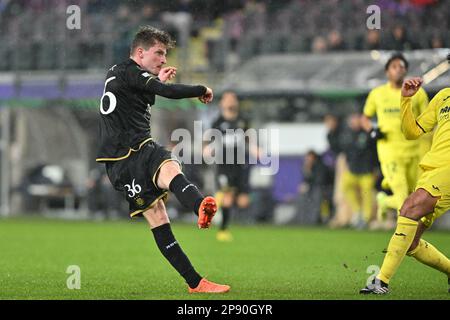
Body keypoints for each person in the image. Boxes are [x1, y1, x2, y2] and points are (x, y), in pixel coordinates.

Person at [96, 26, 230, 294]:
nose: (164, 59)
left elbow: (140, 96)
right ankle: (200, 206)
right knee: (166, 180)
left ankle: (196, 279)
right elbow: (166, 94)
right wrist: (200, 89)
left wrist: (157, 80)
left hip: (119, 161)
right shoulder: (133, 72)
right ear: (141, 52)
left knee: (161, 204)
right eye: (159, 53)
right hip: (133, 151)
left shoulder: (117, 72)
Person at [360, 74, 450, 295]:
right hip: (432, 169)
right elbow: (412, 132)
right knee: (411, 243)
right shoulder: (443, 97)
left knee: (409, 207)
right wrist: (406, 99)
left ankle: (381, 280)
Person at [361, 53, 429, 228]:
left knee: (413, 196)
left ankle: (384, 202)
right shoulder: (377, 94)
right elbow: (365, 118)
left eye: (402, 67)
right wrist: (372, 131)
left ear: (406, 70)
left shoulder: (418, 94)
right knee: (402, 195)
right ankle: (406, 236)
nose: (398, 70)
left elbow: (428, 119)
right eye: (394, 67)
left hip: (414, 151)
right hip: (389, 152)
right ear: (387, 72)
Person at [209, 91, 254, 242]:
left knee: (243, 201)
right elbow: (211, 140)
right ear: (222, 103)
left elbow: (249, 140)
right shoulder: (217, 122)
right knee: (227, 196)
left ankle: (217, 200)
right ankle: (222, 230)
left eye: (233, 99)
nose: (230, 102)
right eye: (227, 99)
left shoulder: (243, 121)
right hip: (224, 164)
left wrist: (256, 149)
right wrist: (208, 149)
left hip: (240, 164)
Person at [340, 113, 377, 228]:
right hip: (353, 169)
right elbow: (345, 151)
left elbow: (375, 150)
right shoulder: (347, 134)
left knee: (367, 193)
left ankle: (365, 218)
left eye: (356, 119)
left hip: (367, 170)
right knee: (345, 186)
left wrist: (376, 168)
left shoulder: (368, 132)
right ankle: (357, 211)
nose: (353, 122)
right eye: (352, 119)